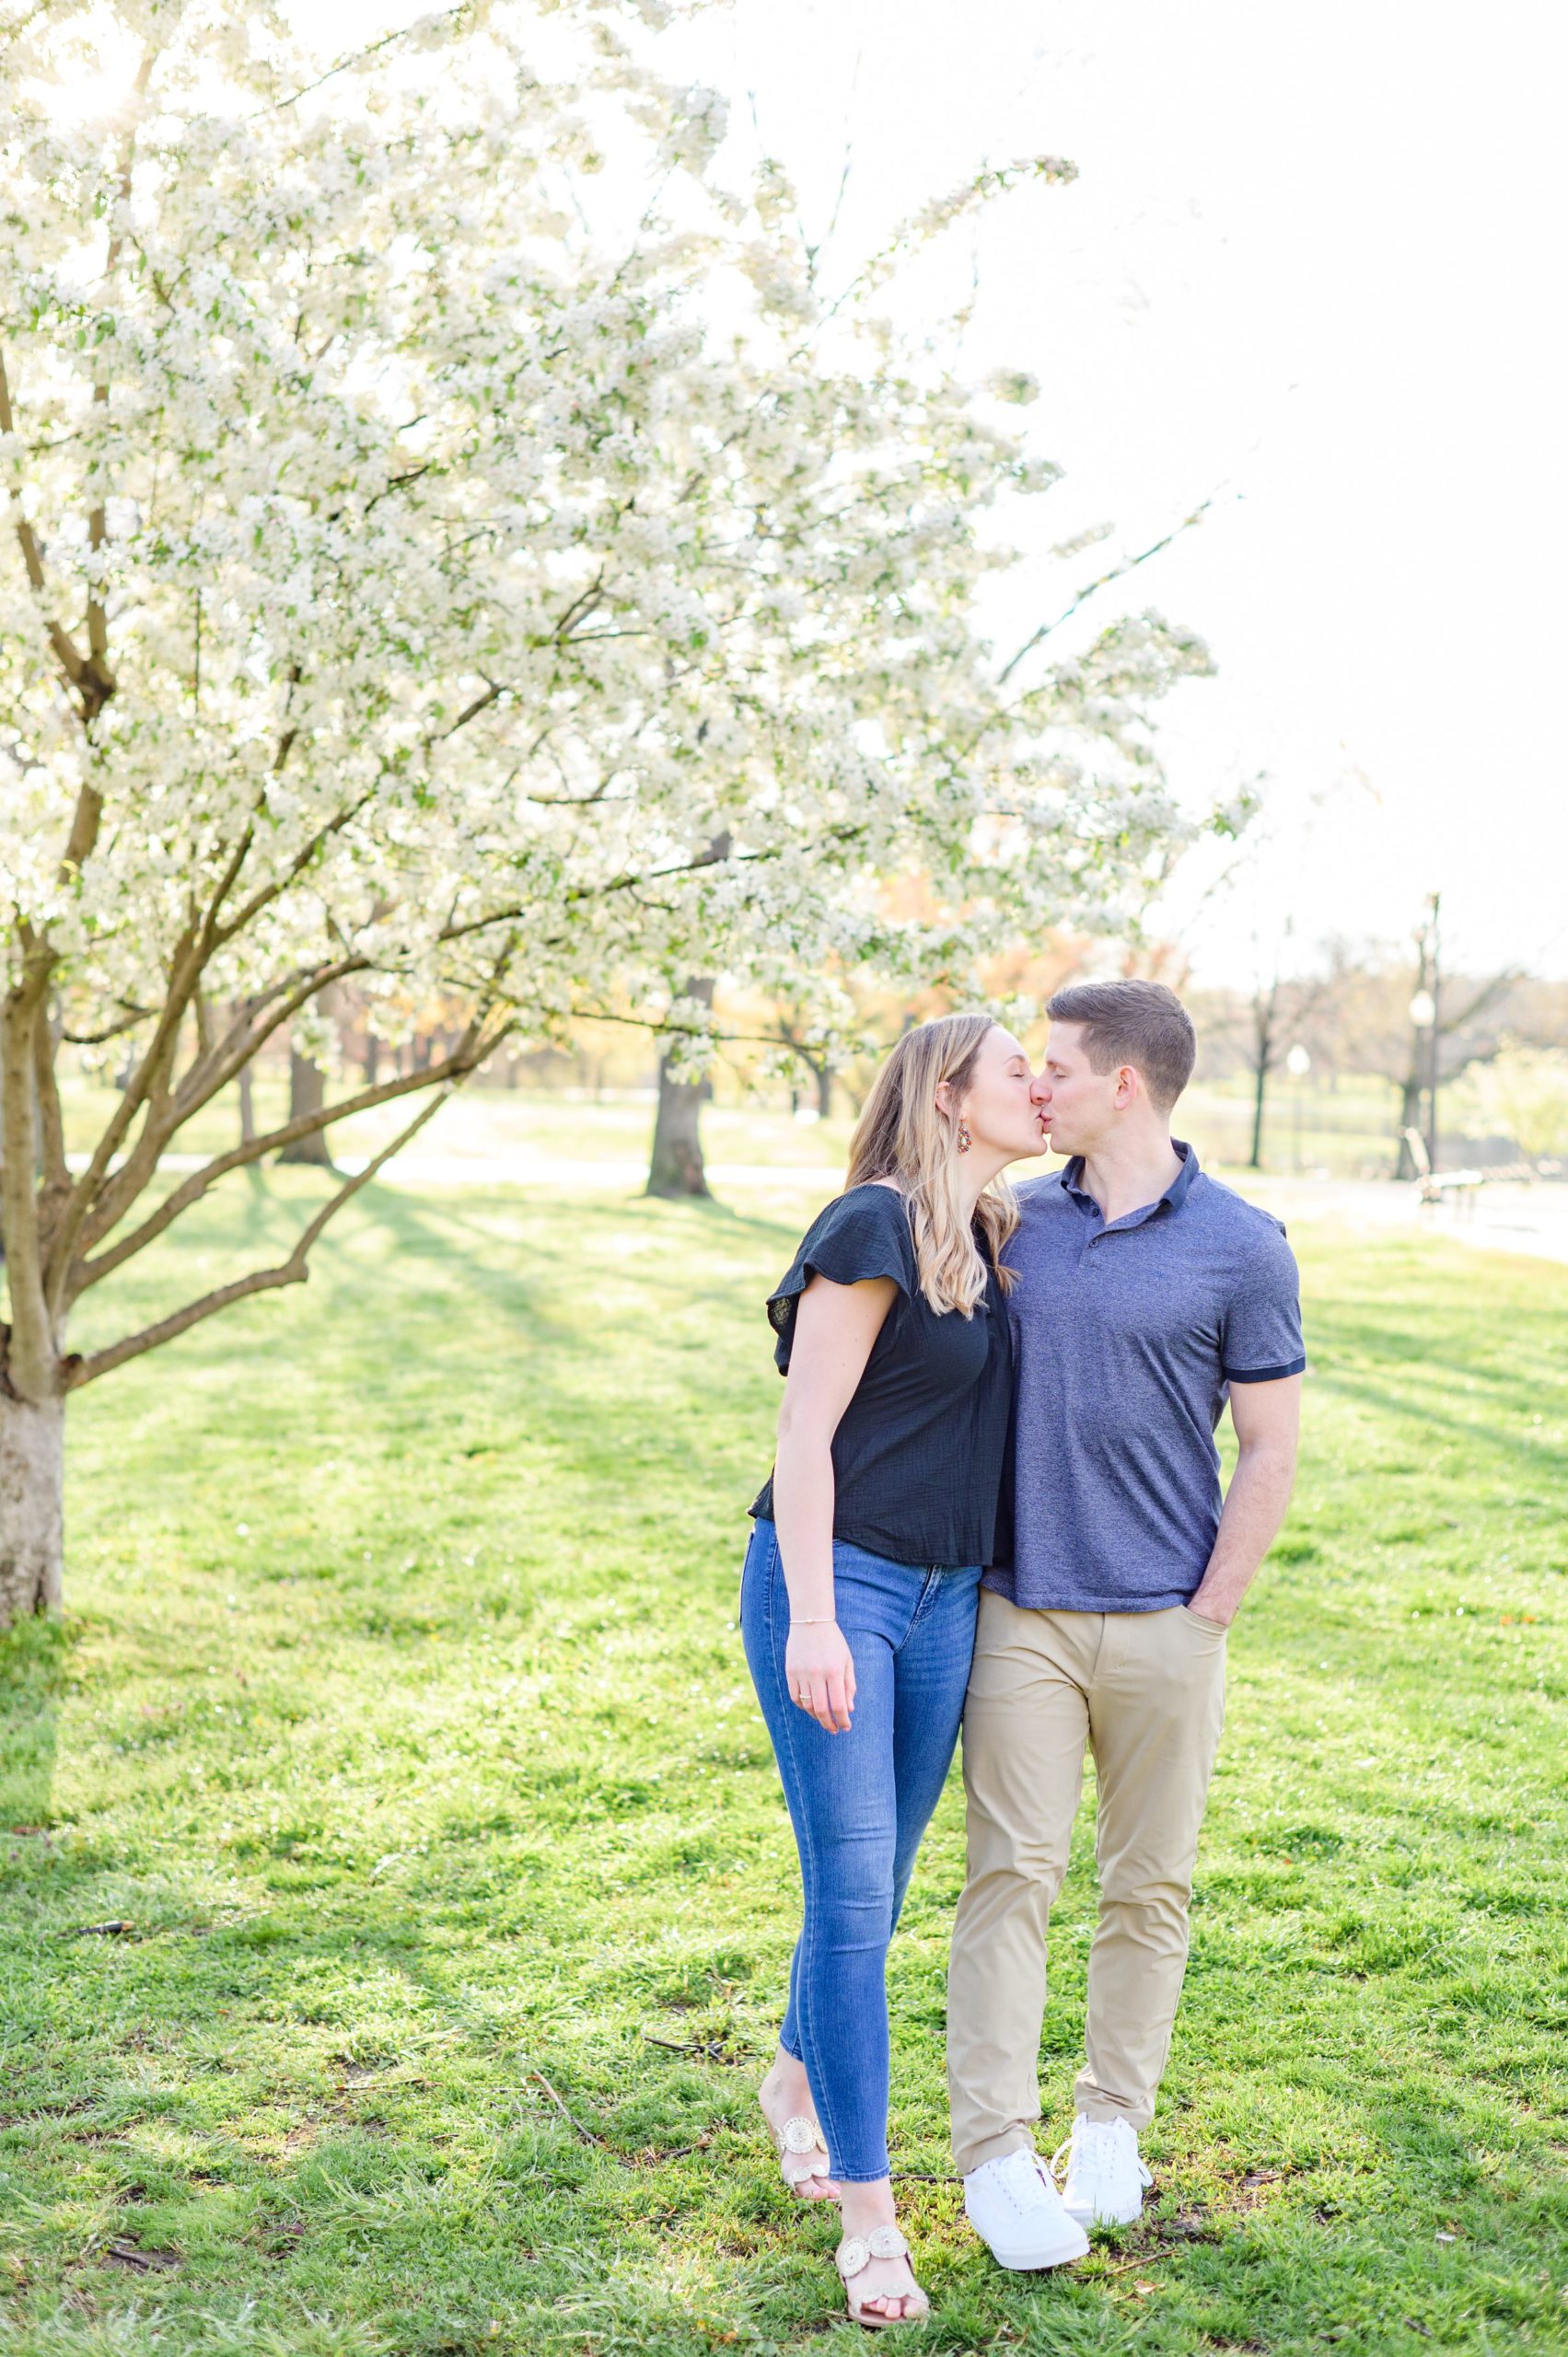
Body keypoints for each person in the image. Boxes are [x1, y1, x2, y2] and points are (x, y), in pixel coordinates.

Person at [950, 980, 1304, 2268]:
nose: (1036, 1087)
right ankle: (993, 2149)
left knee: (1147, 1887)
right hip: (1021, 1614)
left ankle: (1109, 2125)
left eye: (1055, 1069)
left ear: (1127, 1086)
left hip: (1168, 1621)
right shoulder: (1010, 1222)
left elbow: (1268, 1448)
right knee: (1011, 1878)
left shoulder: (1246, 1246)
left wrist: (1210, 1611)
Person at [742, 1013, 1050, 2327]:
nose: (1037, 1089)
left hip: (946, 1602)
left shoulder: (990, 1236)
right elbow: (804, 1434)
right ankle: (872, 2221)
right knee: (857, 1899)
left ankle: (791, 2077)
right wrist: (813, 1615)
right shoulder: (868, 1226)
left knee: (879, 1874)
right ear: (947, 1095)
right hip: (843, 1587)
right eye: (1014, 1074)